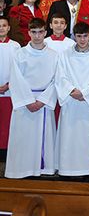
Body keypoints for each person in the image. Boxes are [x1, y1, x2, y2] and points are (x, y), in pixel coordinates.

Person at [4, 18, 57, 178]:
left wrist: (42, 100)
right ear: (29, 33)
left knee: (43, 138)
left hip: (43, 101)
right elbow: (16, 78)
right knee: (23, 138)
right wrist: (28, 101)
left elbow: (57, 80)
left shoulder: (54, 55)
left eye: (40, 32)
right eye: (34, 32)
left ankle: (44, 168)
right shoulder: (20, 54)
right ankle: (21, 169)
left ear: (45, 33)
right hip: (25, 102)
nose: (37, 36)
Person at [55, 22, 89, 177]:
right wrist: (71, 90)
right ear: (74, 36)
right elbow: (60, 75)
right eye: (79, 36)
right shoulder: (65, 54)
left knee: (84, 139)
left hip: (86, 103)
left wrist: (85, 93)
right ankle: (66, 168)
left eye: (85, 36)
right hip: (70, 101)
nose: (82, 39)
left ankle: (85, 169)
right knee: (68, 136)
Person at [0, 16, 20, 150]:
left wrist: (8, 85)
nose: (1, 28)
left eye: (4, 25)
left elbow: (18, 69)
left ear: (9, 28)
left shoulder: (15, 46)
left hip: (10, 91)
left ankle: (6, 150)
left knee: (7, 122)